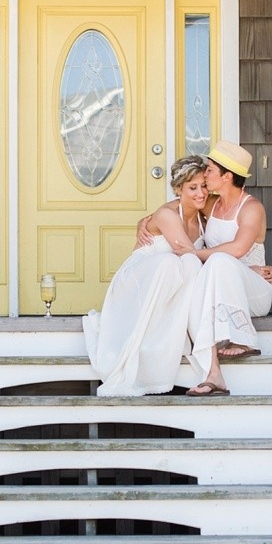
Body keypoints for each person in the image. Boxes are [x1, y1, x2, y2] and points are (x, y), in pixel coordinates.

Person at [82, 156, 207, 397]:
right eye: (193, 188)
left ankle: (191, 337)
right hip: (136, 281)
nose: (201, 193)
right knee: (173, 261)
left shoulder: (204, 213)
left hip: (168, 283)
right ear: (178, 189)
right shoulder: (167, 214)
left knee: (186, 264)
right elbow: (186, 251)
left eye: (204, 186)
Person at [183, 140, 272, 396]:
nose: (205, 174)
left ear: (226, 176)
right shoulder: (211, 206)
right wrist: (147, 222)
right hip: (221, 285)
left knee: (219, 260)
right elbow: (178, 206)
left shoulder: (252, 208)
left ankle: (243, 338)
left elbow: (237, 249)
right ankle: (212, 371)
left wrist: (194, 253)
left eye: (210, 170)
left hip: (255, 292)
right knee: (200, 272)